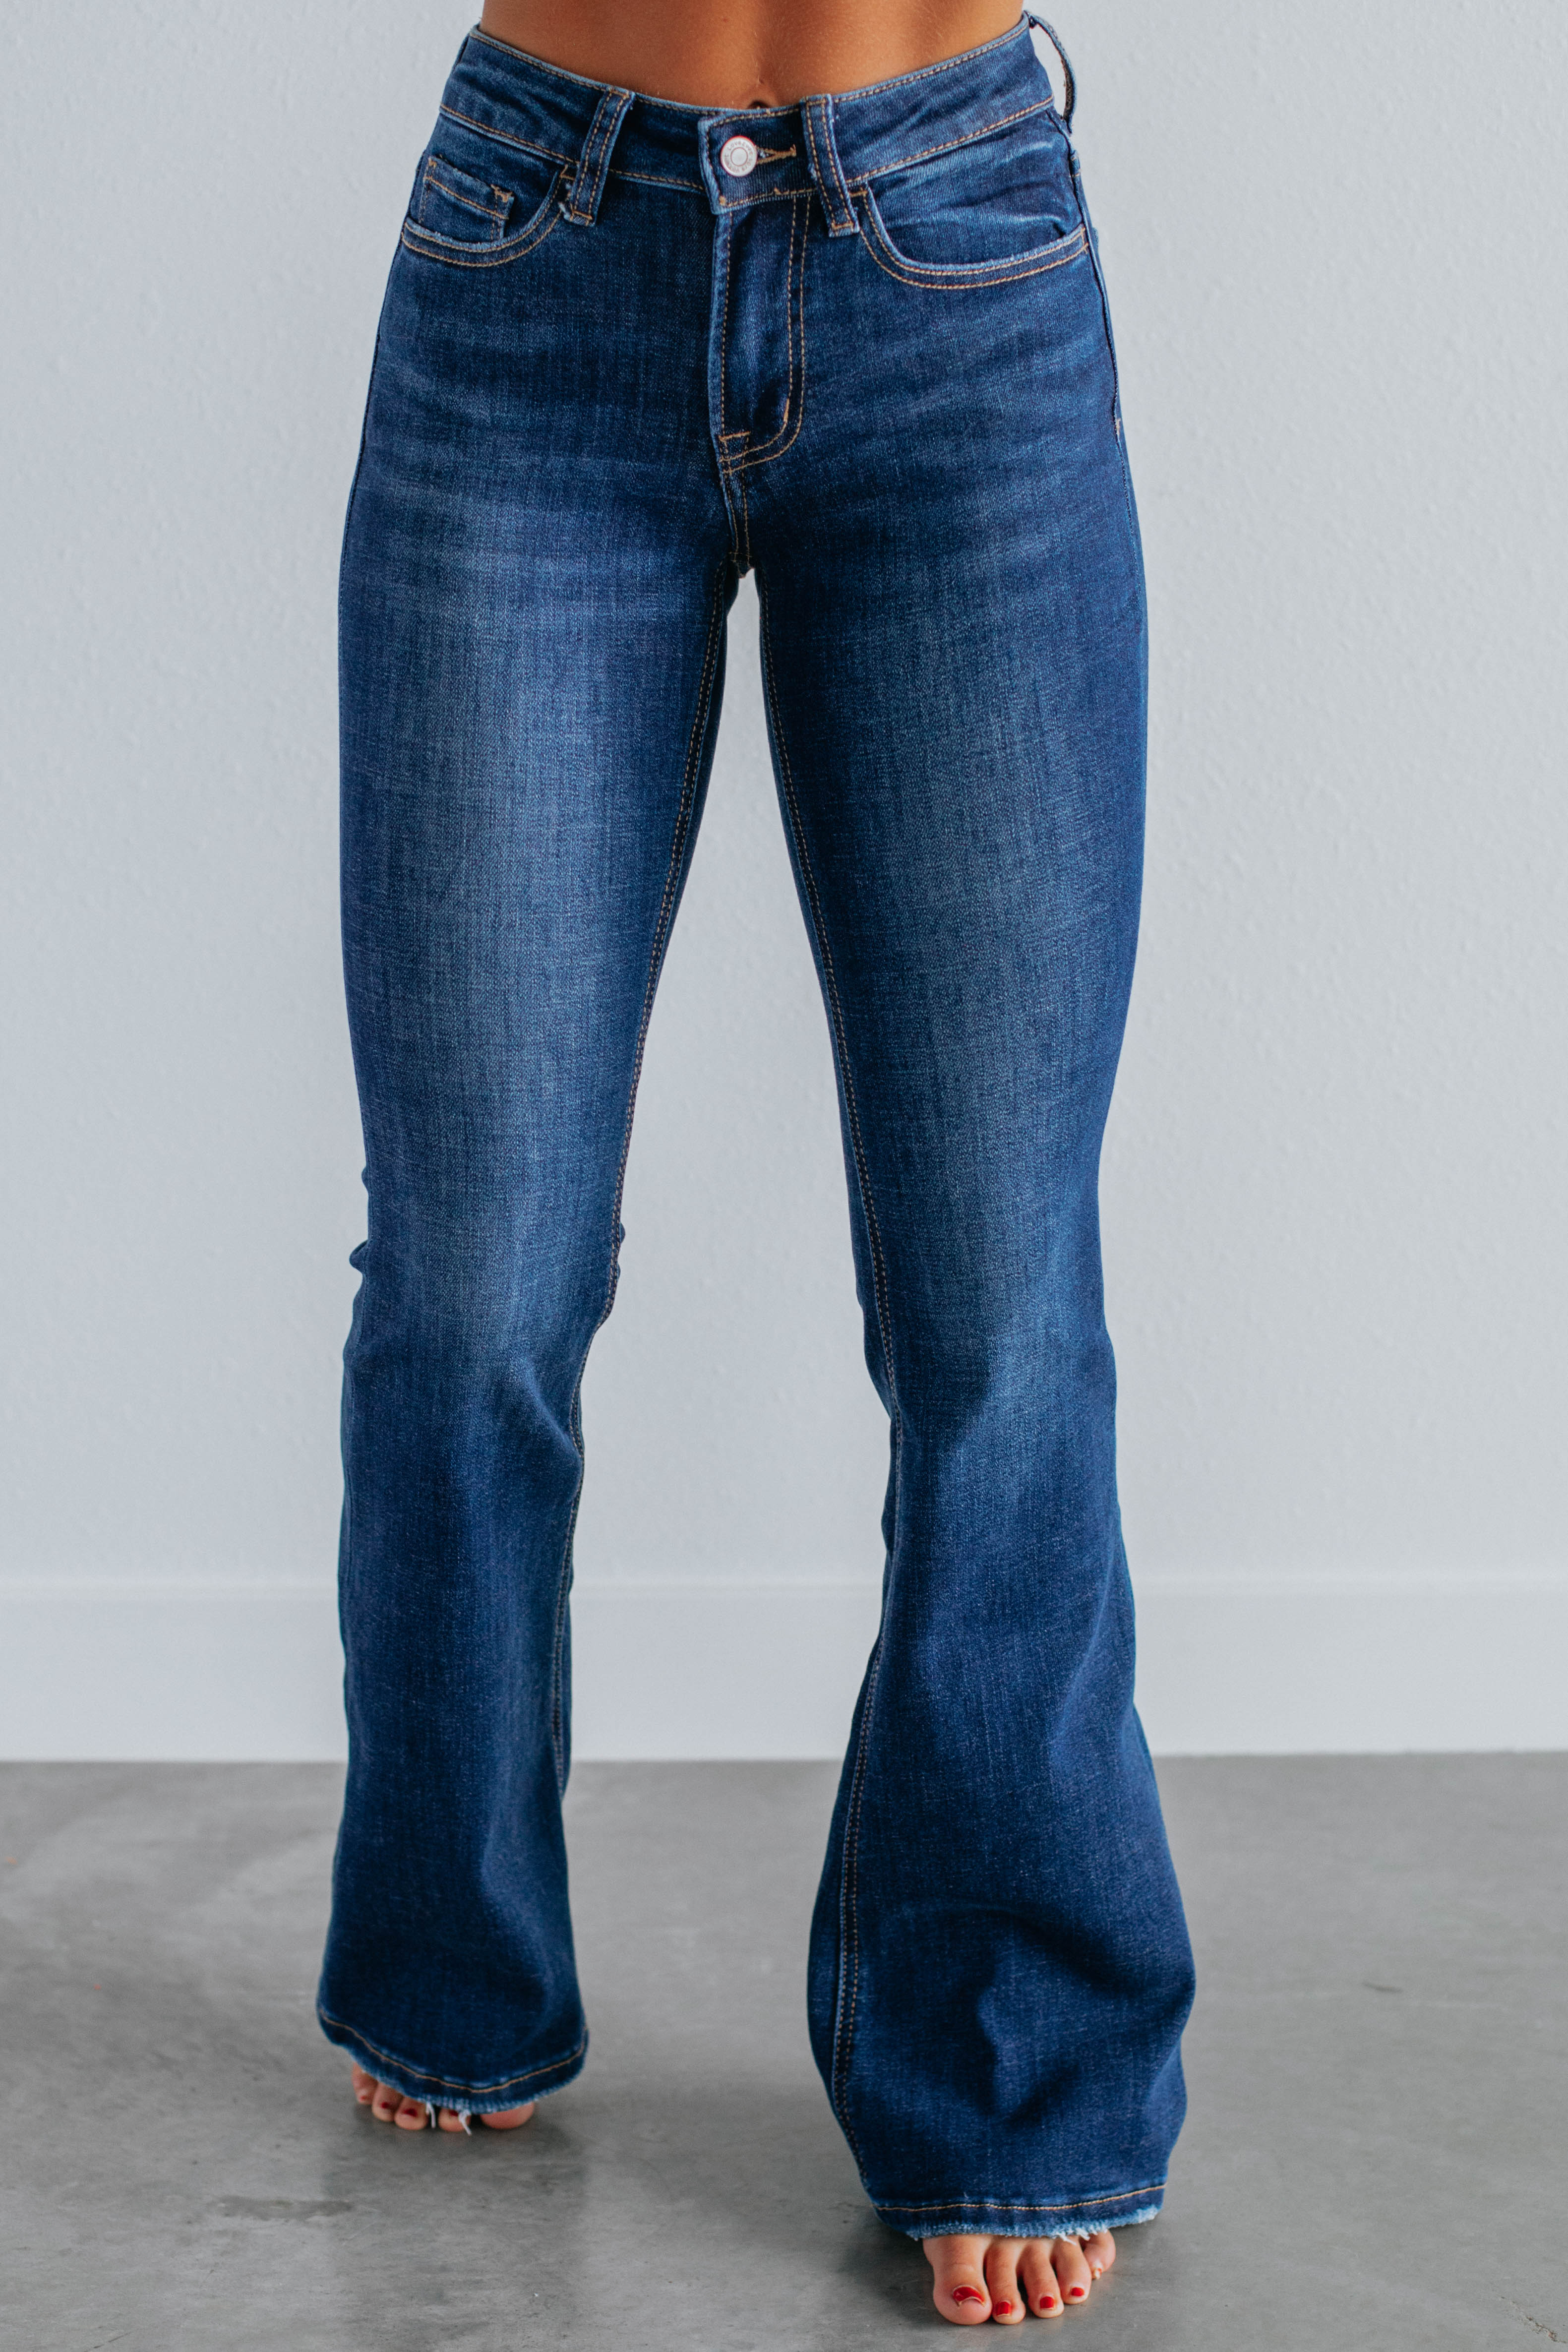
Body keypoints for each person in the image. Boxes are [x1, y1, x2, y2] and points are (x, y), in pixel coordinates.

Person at [317, 0, 1197, 2324]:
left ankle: (1007, 2049)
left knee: (996, 1297)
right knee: (474, 1284)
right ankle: (446, 1939)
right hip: (532, 260)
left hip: (958, 270)